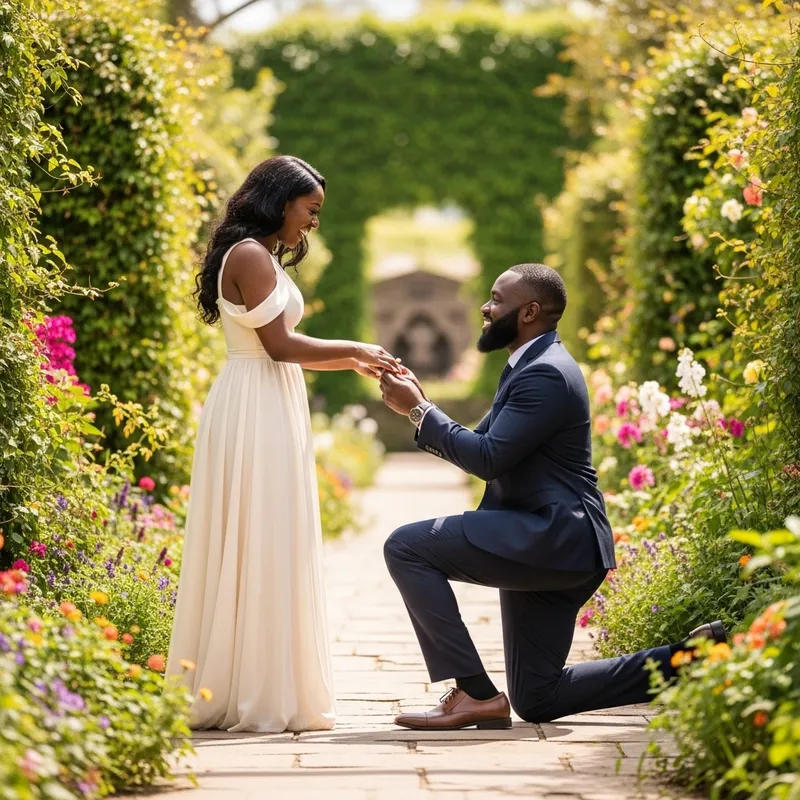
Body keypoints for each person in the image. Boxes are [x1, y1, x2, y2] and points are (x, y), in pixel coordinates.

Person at [378, 263, 726, 730]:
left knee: (407, 546)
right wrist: (420, 403)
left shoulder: (545, 374)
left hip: (553, 537)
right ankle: (688, 660)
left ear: (530, 311)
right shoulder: (531, 365)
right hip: (553, 543)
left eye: (497, 300)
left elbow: (486, 459)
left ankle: (474, 694)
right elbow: (479, 445)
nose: (485, 306)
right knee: (538, 697)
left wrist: (420, 411)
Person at [166, 155, 400, 733]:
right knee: (258, 533)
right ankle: (248, 690)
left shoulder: (262, 254)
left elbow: (285, 344)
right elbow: (278, 344)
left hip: (270, 400)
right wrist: (356, 351)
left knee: (270, 536)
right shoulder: (248, 254)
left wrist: (355, 357)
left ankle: (266, 679)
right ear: (280, 200)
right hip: (254, 402)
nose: (313, 222)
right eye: (311, 209)